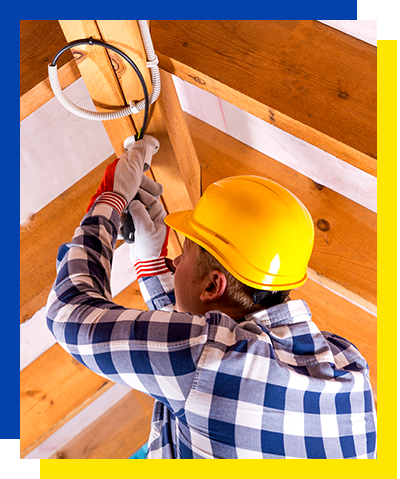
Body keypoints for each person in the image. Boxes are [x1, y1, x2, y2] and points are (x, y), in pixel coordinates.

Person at [46, 136, 377, 459]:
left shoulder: (210, 358)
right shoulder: (346, 365)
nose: (174, 262)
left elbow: (68, 310)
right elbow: (199, 366)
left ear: (212, 286)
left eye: (184, 253)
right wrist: (150, 265)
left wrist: (111, 200)